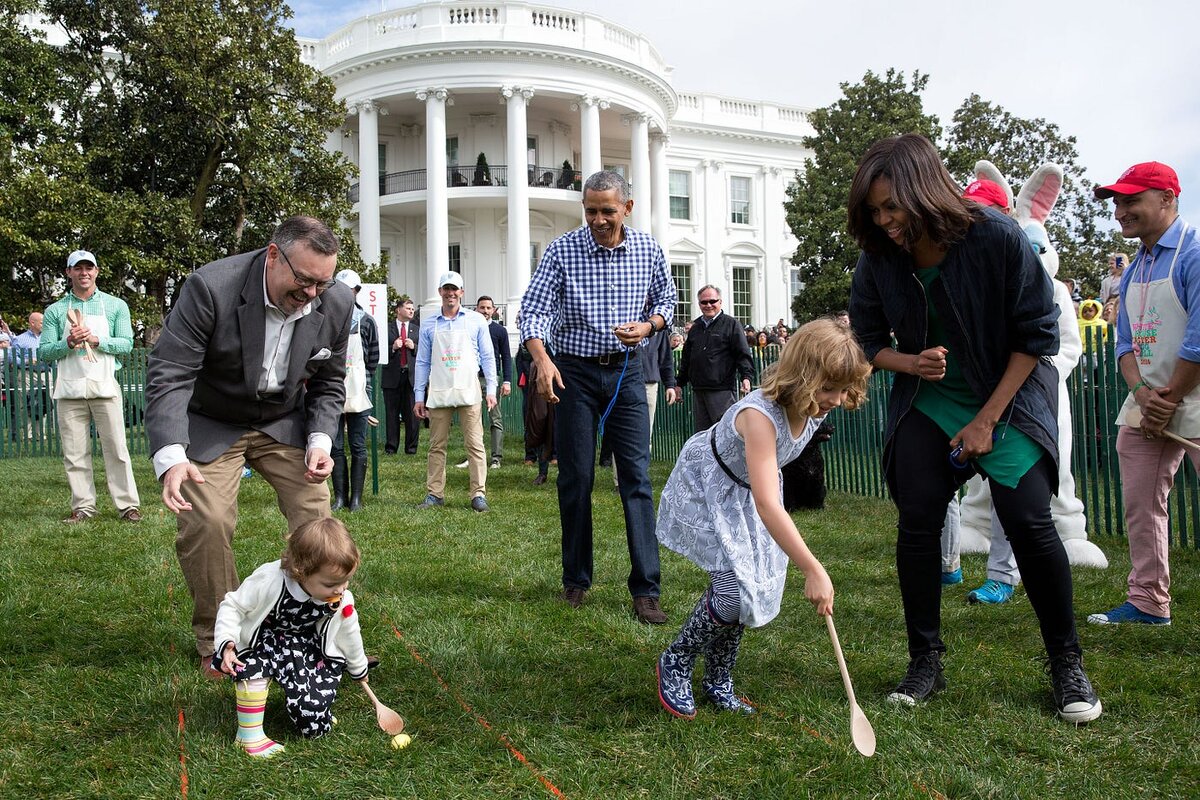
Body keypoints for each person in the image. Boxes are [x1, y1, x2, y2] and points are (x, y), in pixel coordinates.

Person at [847, 133, 1101, 723]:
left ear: (924, 191)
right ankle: (925, 659)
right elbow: (864, 338)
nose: (885, 222)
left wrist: (988, 419)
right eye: (875, 211)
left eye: (892, 207)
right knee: (918, 523)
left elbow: (1037, 336)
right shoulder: (880, 256)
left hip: (1004, 398)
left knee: (1031, 523)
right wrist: (907, 362)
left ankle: (1066, 664)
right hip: (930, 401)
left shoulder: (995, 235)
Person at [145, 215, 354, 672]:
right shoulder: (210, 288)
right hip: (213, 419)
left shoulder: (336, 301)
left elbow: (330, 382)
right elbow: (170, 374)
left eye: (324, 282)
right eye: (304, 280)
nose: (313, 294)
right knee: (208, 520)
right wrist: (171, 456)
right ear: (274, 255)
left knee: (317, 520)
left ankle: (313, 634)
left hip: (283, 421)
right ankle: (222, 641)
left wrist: (320, 440)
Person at [654, 319, 870, 718]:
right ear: (803, 377)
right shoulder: (759, 416)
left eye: (842, 389)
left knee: (747, 589)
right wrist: (813, 569)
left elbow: (768, 486)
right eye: (829, 388)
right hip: (711, 488)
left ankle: (718, 678)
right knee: (733, 591)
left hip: (750, 489)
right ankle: (676, 659)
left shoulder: (815, 406)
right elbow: (769, 506)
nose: (837, 399)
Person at [519, 169, 676, 625]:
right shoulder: (562, 250)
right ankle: (576, 579)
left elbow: (667, 301)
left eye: (608, 210)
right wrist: (542, 358)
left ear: (627, 208)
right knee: (576, 478)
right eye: (591, 210)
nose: (599, 219)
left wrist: (649, 327)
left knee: (636, 480)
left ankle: (646, 589)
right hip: (574, 374)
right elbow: (535, 309)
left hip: (627, 374)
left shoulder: (648, 250)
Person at [1088, 161, 1200, 627]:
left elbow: (1198, 340)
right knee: (1140, 500)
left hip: (1187, 397)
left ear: (1167, 199)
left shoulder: (1193, 252)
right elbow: (1123, 344)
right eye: (1117, 201)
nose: (1120, 210)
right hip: (1149, 401)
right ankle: (1148, 601)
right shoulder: (1135, 268)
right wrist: (1140, 390)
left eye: (1132, 200)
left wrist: (1169, 397)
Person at [211, 517, 370, 757]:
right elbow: (232, 606)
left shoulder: (341, 599)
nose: (340, 589)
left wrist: (359, 668)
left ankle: (314, 715)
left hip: (303, 647)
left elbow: (349, 633)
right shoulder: (269, 579)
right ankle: (249, 737)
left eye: (345, 581)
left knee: (314, 725)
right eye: (330, 584)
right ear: (301, 572)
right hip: (262, 640)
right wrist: (227, 642)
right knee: (251, 669)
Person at [38, 250, 142, 524]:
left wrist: (96, 340)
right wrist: (68, 343)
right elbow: (45, 352)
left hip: (105, 388)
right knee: (74, 453)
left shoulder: (115, 305)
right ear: (68, 272)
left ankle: (128, 506)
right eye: (78, 268)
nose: (84, 273)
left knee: (117, 449)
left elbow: (126, 344)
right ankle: (83, 507)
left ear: (96, 272)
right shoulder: (56, 311)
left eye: (89, 268)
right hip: (69, 391)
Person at [412, 271, 495, 512]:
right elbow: (422, 362)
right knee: (436, 445)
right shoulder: (429, 323)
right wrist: (419, 396)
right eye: (446, 289)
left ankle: (478, 494)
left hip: (469, 390)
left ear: (462, 292)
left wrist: (491, 388)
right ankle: (434, 493)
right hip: (438, 391)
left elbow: (488, 357)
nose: (450, 293)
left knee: (475, 444)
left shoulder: (475, 320)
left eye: (454, 289)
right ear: (440, 292)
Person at [329, 270, 379, 512]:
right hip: (331, 391)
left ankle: (356, 498)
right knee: (335, 446)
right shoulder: (325, 319)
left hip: (360, 392)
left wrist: (365, 390)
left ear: (357, 292)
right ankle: (340, 497)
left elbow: (373, 360)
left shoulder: (367, 322)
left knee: (357, 445)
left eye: (349, 289)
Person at [677, 285, 754, 433]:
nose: (708, 305)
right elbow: (687, 358)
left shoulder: (731, 325)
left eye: (712, 301)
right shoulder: (695, 327)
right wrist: (679, 383)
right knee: (703, 436)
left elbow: (742, 354)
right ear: (699, 304)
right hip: (699, 390)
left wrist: (746, 377)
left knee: (724, 433)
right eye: (704, 302)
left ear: (720, 302)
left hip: (722, 390)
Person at [474, 296, 512, 469]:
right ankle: (473, 456)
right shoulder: (471, 328)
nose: (485, 311)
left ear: (494, 310)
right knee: (473, 420)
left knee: (495, 419)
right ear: (477, 309)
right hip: (472, 378)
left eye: (488, 308)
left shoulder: (499, 331)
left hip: (492, 380)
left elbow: (506, 357)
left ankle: (496, 458)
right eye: (482, 307)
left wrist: (507, 381)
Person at [382, 296, 420, 455]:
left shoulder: (417, 329)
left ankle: (411, 449)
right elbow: (379, 351)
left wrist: (414, 347)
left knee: (412, 415)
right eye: (408, 308)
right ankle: (391, 448)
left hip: (411, 377)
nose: (411, 311)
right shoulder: (386, 328)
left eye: (412, 309)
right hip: (392, 377)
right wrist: (393, 347)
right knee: (391, 414)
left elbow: (425, 352)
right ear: (398, 310)